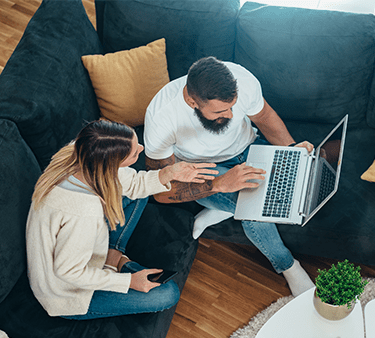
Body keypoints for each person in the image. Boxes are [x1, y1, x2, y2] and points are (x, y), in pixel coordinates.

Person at [144, 56, 315, 297]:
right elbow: (160, 191)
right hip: (201, 169)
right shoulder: (162, 118)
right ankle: (288, 266)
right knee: (256, 210)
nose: (232, 115)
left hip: (248, 147)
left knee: (295, 179)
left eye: (233, 106)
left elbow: (264, 117)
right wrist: (219, 184)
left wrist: (292, 150)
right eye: (222, 111)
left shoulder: (242, 80)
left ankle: (222, 208)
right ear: (193, 101)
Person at [26, 119, 218, 320]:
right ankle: (117, 262)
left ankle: (112, 255)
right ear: (111, 165)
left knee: (140, 191)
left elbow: (134, 184)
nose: (141, 149)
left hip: (82, 244)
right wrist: (128, 282)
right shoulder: (82, 212)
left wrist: (167, 174)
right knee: (167, 294)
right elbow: (69, 272)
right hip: (66, 291)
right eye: (135, 153)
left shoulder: (80, 151)